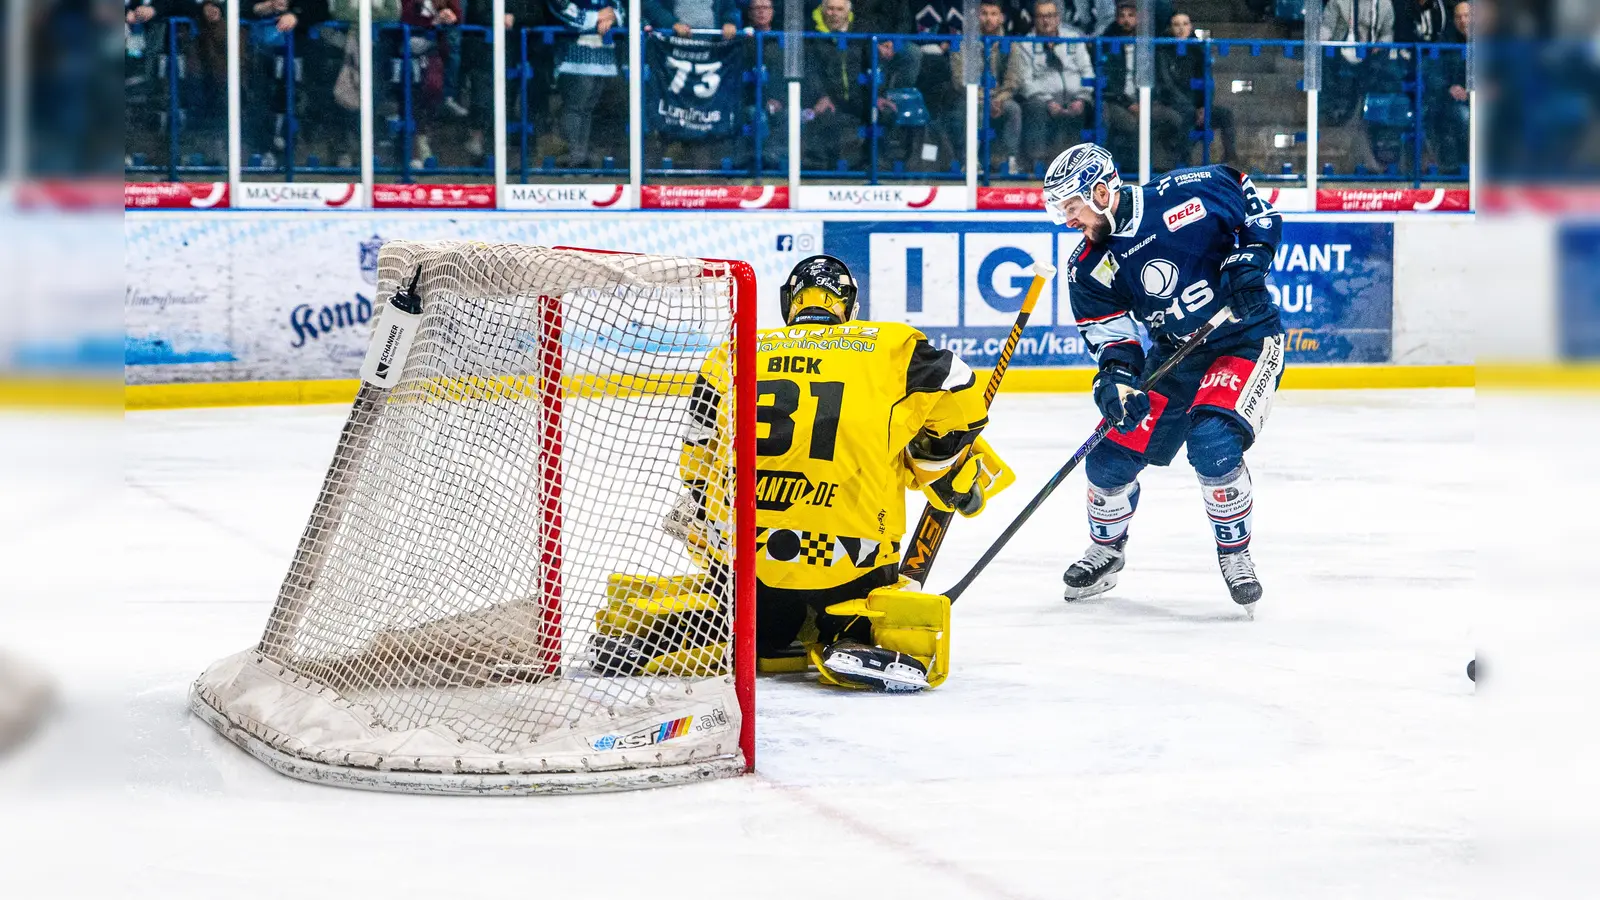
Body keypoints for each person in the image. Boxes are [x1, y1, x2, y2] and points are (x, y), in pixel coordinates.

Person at [662, 256, 1011, 692]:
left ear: (788, 303)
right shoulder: (889, 346)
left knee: (707, 516)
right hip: (849, 572)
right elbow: (960, 387)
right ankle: (843, 633)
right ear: (849, 305)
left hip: (748, 578)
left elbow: (695, 462)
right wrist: (938, 466)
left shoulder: (732, 352)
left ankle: (751, 630)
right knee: (895, 453)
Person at [1044, 143, 1286, 613]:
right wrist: (1115, 379)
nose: (1067, 221)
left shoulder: (1186, 193)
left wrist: (1253, 255)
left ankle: (1236, 555)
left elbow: (1251, 201)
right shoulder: (1088, 266)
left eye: (1071, 208)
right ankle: (1108, 551)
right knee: (1108, 459)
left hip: (1245, 340)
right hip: (1176, 356)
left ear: (1099, 192)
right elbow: (1112, 337)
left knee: (1213, 446)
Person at [1002, 0, 1095, 173]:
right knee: (1035, 107)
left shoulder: (1074, 39)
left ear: (1058, 18)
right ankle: (1038, 166)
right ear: (1034, 19)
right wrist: (1048, 101)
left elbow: (1087, 72)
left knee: (1097, 109)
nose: (1047, 21)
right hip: (1042, 99)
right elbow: (1026, 81)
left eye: (1051, 16)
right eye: (1042, 16)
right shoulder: (1025, 44)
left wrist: (1082, 98)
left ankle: (1081, 167)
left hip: (1076, 97)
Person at [1100, 0, 1186, 173]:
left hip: (1145, 101)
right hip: (1118, 102)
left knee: (1174, 118)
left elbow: (1158, 79)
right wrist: (1128, 104)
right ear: (1116, 19)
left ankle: (1169, 168)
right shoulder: (1108, 46)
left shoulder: (1149, 46)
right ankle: (1129, 170)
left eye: (1131, 16)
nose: (1126, 20)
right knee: (1132, 124)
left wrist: (1150, 101)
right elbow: (1109, 84)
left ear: (1138, 18)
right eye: (1122, 16)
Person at [951, 0, 1023, 174]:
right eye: (984, 13)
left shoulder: (1010, 45)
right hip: (972, 98)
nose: (988, 19)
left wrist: (998, 100)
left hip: (999, 99)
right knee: (970, 109)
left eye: (993, 14)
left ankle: (1009, 161)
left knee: (1013, 109)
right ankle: (970, 161)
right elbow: (959, 80)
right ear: (976, 17)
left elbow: (1013, 81)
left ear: (1001, 18)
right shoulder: (962, 43)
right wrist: (983, 99)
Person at [1160, 10, 1236, 166]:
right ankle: (1183, 165)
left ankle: (1230, 161)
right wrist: (1190, 107)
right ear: (1170, 28)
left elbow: (1208, 82)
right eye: (1176, 25)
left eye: (1185, 24)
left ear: (1191, 27)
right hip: (1174, 105)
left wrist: (1203, 106)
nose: (1181, 29)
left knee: (1225, 115)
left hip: (1197, 106)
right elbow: (1168, 86)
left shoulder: (1199, 50)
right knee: (1186, 117)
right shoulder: (1163, 51)